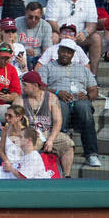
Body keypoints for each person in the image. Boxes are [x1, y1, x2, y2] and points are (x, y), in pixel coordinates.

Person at [40, 39, 101, 167]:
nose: (66, 54)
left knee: (84, 108)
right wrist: (56, 92)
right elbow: (40, 88)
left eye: (69, 52)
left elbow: (94, 89)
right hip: (58, 101)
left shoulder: (82, 69)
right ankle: (59, 150)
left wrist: (88, 96)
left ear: (73, 54)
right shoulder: (47, 67)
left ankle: (92, 154)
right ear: (58, 51)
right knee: (61, 107)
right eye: (63, 51)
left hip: (79, 101)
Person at [18, 69, 75, 176]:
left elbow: (58, 121)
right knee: (28, 144)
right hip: (29, 133)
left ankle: (67, 176)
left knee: (67, 143)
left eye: (25, 85)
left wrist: (51, 140)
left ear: (35, 85)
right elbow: (16, 121)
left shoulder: (51, 98)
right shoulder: (20, 100)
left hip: (48, 132)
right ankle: (27, 175)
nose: (22, 88)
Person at [43, 0, 101, 73]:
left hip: (79, 36)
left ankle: (93, 75)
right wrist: (63, 32)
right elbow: (51, 21)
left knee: (96, 38)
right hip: (60, 34)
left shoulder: (89, 0)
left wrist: (85, 33)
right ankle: (51, 72)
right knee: (53, 37)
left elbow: (92, 24)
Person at [15, 0, 53, 69]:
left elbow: (47, 50)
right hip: (19, 57)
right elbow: (13, 45)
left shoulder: (46, 26)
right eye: (30, 17)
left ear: (41, 16)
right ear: (25, 13)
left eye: (37, 18)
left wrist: (40, 63)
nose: (33, 20)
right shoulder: (17, 23)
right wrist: (25, 51)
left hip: (38, 59)